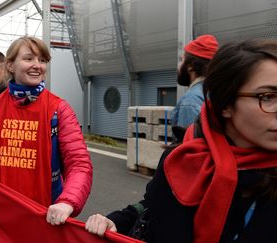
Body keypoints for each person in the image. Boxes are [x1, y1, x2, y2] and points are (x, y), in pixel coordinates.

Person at [85, 39, 277, 243]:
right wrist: (118, 222)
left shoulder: (189, 113)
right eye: (268, 96)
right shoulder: (183, 159)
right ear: (225, 104)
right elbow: (153, 207)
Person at [0, 36, 93, 226]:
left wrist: (67, 202)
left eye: (42, 60)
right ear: (10, 66)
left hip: (43, 214)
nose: (37, 65)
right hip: (0, 211)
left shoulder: (58, 108)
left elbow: (79, 164)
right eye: (29, 58)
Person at [171, 35, 218, 139]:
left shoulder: (191, 100)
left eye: (181, 60)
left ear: (191, 66)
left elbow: (189, 147)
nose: (178, 66)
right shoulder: (217, 92)